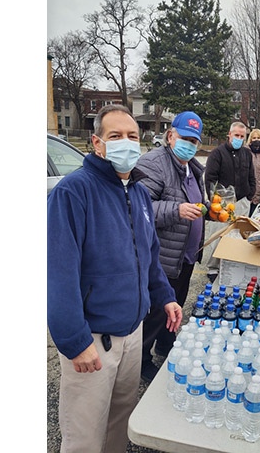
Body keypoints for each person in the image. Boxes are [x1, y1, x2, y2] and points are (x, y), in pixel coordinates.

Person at [47, 104, 183, 452]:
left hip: (133, 333)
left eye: (132, 136)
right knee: (85, 435)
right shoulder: (73, 192)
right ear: (98, 143)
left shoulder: (138, 193)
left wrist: (166, 296)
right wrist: (75, 341)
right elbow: (58, 273)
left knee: (120, 423)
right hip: (94, 339)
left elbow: (148, 258)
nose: (127, 142)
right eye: (116, 136)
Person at [132, 111, 207, 382]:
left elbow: (196, 201)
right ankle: (141, 361)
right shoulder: (154, 163)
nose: (189, 144)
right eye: (184, 138)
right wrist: (176, 210)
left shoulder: (192, 168)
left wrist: (209, 210)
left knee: (176, 305)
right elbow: (138, 207)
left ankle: (166, 344)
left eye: (194, 141)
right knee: (155, 312)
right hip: (163, 256)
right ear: (170, 135)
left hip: (185, 256)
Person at [203, 121, 257, 282]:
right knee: (218, 235)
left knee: (238, 235)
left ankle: (232, 264)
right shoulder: (217, 154)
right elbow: (210, 179)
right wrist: (216, 202)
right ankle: (213, 268)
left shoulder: (247, 154)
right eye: (236, 135)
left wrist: (250, 195)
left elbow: (251, 176)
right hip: (222, 204)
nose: (239, 138)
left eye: (242, 136)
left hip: (242, 201)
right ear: (229, 134)